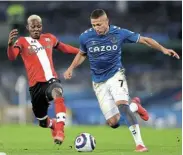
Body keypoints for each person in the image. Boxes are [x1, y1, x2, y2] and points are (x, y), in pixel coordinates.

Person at [63, 9, 180, 152]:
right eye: (94, 25)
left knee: (122, 105)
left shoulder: (119, 33)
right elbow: (82, 54)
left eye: (99, 24)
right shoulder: (85, 37)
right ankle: (135, 106)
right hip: (98, 82)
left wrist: (163, 49)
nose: (96, 28)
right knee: (113, 122)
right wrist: (70, 68)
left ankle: (140, 144)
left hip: (115, 75)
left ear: (107, 21)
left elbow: (145, 40)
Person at [7, 14, 79, 145]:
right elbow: (12, 57)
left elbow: (64, 48)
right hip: (35, 87)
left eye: (38, 26)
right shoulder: (22, 41)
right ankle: (53, 125)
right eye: (33, 26)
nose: (36, 29)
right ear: (28, 27)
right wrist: (10, 45)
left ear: (42, 26)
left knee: (58, 92)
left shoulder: (49, 38)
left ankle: (60, 130)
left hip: (51, 80)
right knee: (42, 121)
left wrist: (80, 52)